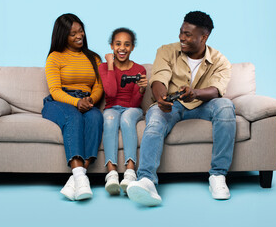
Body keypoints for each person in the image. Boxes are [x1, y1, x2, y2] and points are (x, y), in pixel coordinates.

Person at [126, 11, 236, 206]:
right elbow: (159, 78)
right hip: (172, 105)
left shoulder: (221, 61)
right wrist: (161, 99)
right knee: (155, 117)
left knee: (226, 105)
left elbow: (216, 90)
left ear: (204, 37)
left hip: (203, 105)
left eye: (187, 34)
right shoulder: (166, 51)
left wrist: (194, 93)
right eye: (181, 32)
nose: (181, 38)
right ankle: (146, 180)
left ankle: (218, 176)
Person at [41, 13, 103, 201]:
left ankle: (77, 178)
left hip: (86, 100)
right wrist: (76, 102)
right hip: (59, 102)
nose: (79, 36)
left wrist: (90, 100)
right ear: (62, 36)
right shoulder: (54, 58)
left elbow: (99, 85)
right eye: (72, 33)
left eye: (81, 31)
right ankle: (81, 178)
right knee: (73, 117)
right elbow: (55, 90)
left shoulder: (94, 58)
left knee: (96, 117)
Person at [99, 28, 147, 195]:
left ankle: (130, 172)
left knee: (126, 118)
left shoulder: (139, 69)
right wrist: (111, 65)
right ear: (112, 46)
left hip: (132, 109)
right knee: (110, 119)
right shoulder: (104, 67)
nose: (122, 48)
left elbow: (134, 103)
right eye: (118, 44)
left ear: (132, 47)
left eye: (127, 45)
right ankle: (111, 174)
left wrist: (141, 90)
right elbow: (111, 93)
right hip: (112, 108)